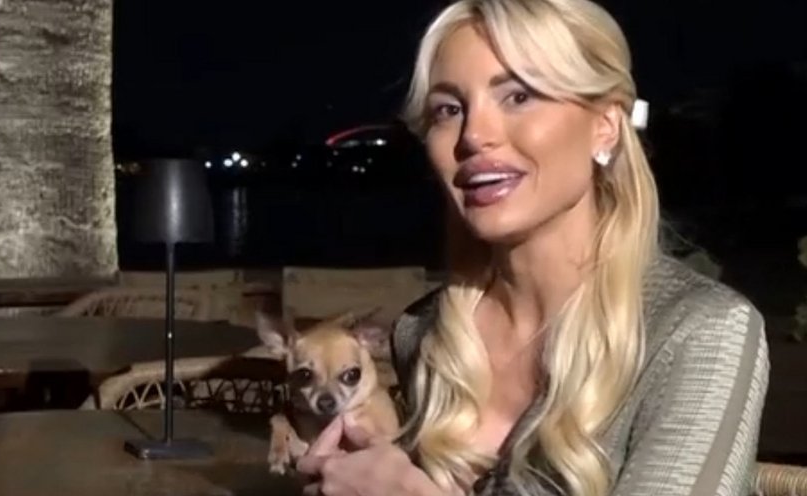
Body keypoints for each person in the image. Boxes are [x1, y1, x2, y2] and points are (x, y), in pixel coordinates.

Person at [295, 0, 770, 494]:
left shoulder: (698, 334)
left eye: (519, 96)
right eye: (449, 109)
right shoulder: (426, 333)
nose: (474, 136)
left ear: (605, 125)